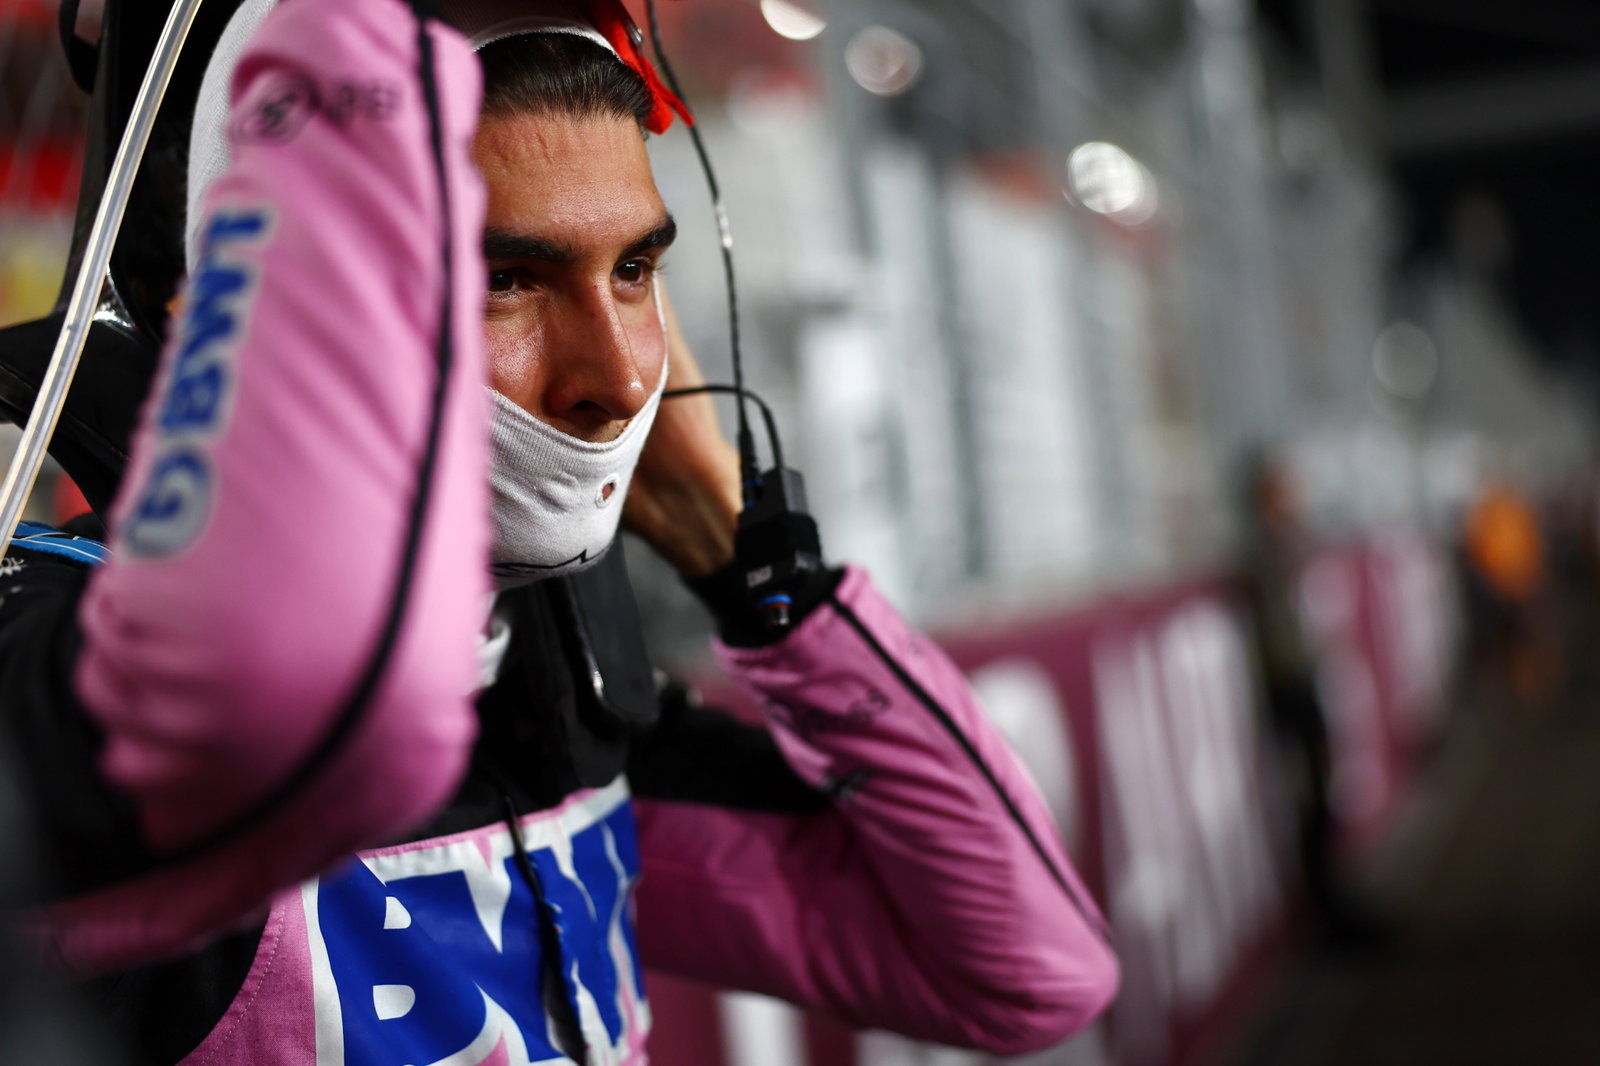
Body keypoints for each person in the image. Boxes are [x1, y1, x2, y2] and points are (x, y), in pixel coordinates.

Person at [0, 0, 1117, 1062]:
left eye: (634, 271)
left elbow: (1028, 971)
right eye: (506, 278)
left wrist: (738, 552)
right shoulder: (66, 666)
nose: (623, 380)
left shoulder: (558, 679)